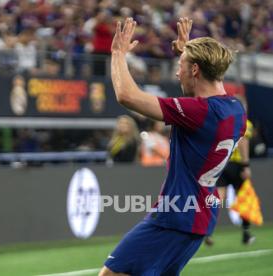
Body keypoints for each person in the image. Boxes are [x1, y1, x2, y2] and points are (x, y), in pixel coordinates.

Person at [99, 17, 246, 276]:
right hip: (199, 215)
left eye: (180, 66)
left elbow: (127, 95)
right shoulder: (236, 110)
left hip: (176, 215)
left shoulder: (198, 111)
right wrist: (188, 52)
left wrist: (118, 54)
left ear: (196, 70)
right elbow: (204, 88)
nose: (177, 73)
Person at [205, 95, 255, 245]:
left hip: (221, 164)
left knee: (218, 199)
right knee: (243, 198)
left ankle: (209, 231)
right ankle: (246, 233)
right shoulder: (245, 122)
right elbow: (243, 142)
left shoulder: (223, 121)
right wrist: (245, 166)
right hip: (237, 165)